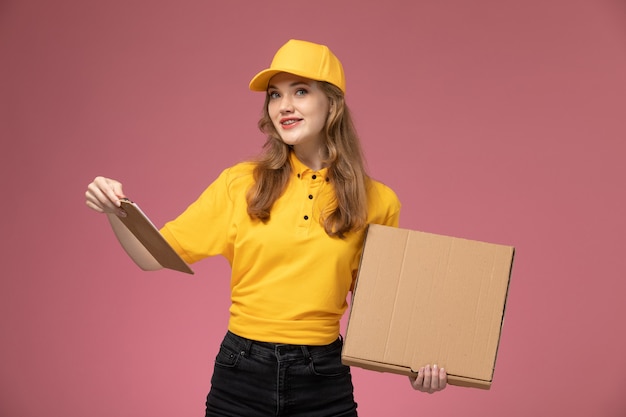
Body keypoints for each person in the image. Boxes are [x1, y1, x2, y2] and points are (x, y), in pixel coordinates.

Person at [85, 39, 447, 416]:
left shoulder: (379, 201)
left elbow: (383, 312)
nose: (284, 106)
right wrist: (116, 210)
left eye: (301, 92)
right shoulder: (240, 184)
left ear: (333, 104)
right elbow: (150, 255)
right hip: (241, 372)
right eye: (275, 95)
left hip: (323, 377)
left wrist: (417, 365)